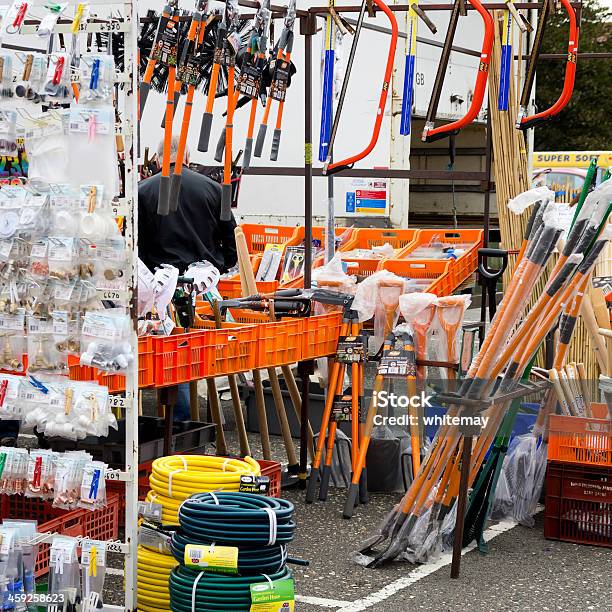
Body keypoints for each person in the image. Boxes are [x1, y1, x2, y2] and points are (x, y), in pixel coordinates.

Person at [139, 137, 238, 420]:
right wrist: (216, 265)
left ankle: (179, 422)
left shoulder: (143, 191)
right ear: (189, 158)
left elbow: (135, 246)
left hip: (160, 291)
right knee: (199, 351)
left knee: (172, 355)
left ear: (159, 159)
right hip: (203, 289)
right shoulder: (213, 189)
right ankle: (198, 420)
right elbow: (231, 243)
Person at [138, 136, 238, 274]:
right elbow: (232, 234)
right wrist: (224, 263)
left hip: (158, 278)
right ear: (186, 157)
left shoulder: (141, 191)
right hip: (204, 278)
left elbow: (137, 240)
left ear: (156, 161)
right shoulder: (215, 189)